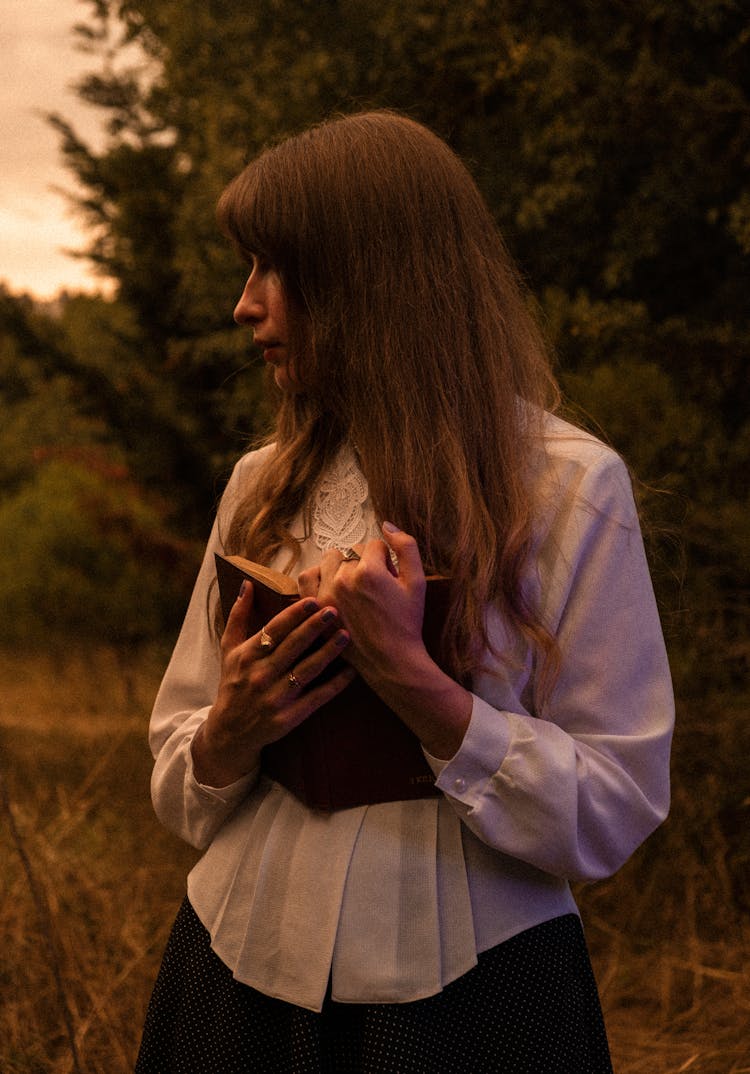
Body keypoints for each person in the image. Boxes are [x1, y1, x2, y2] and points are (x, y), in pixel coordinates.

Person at [135, 110, 674, 1073]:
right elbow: (177, 767)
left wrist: (422, 690)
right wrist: (233, 728)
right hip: (231, 979)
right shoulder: (260, 485)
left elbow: (616, 807)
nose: (244, 306)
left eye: (272, 268)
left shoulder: (570, 488)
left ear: (366, 281)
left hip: (476, 1008)